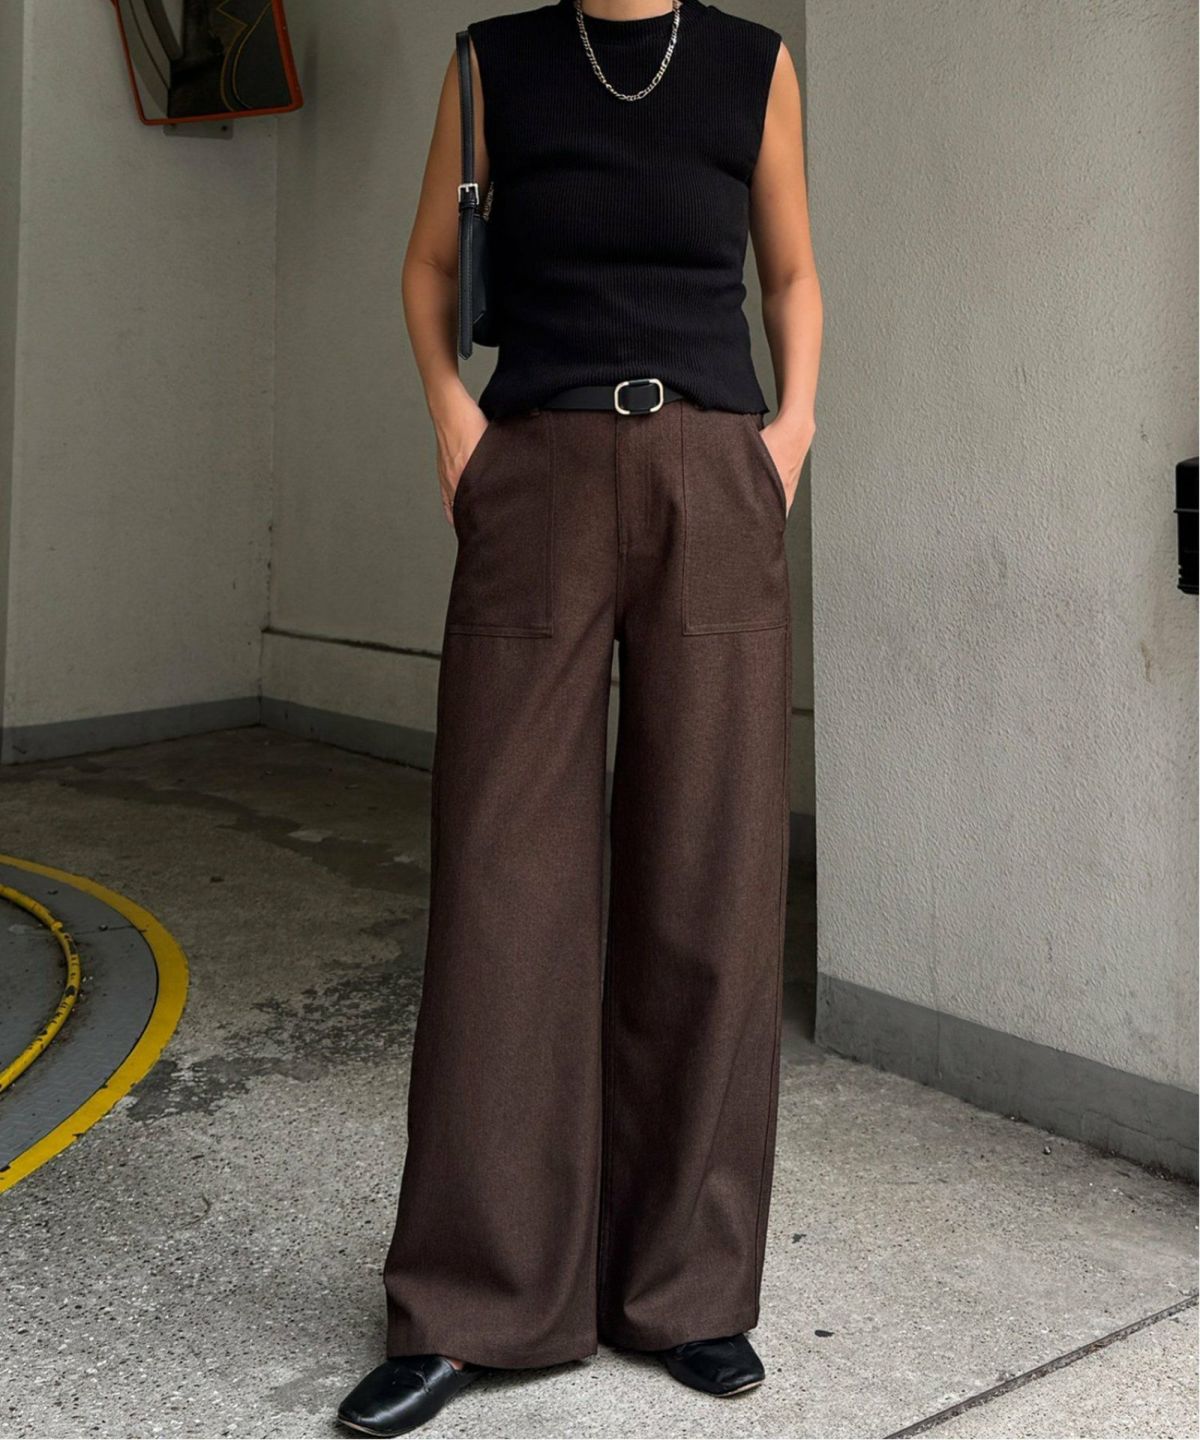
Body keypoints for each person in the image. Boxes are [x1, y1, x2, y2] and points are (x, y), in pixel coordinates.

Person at [337, 2, 821, 1434]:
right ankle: (472, 1300)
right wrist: (453, 418)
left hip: (714, 481)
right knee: (503, 881)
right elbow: (430, 265)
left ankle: (690, 1290)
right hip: (535, 472)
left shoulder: (751, 66)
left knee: (709, 877)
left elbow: (792, 272)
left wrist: (788, 434)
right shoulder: (493, 62)